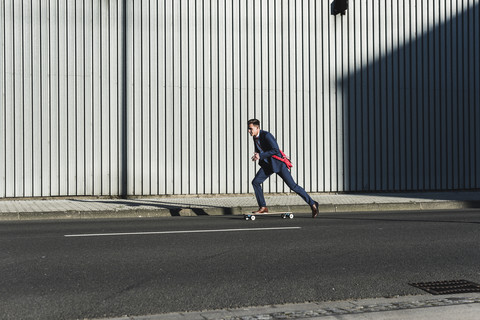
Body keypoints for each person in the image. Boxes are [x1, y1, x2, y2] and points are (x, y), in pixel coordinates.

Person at [247, 119, 319, 218]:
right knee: (255, 182)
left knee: (293, 186)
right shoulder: (255, 137)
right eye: (248, 129)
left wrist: (261, 155)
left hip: (278, 164)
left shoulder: (266, 135)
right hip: (268, 165)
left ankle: (313, 204)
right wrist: (257, 156)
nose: (249, 131)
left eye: (250, 129)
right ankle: (263, 207)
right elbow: (260, 150)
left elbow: (275, 150)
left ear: (257, 128)